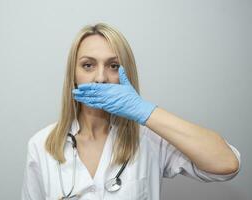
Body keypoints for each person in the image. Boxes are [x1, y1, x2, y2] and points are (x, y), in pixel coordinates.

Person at [21, 22, 241, 200]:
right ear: (73, 74)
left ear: (127, 73)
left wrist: (144, 111)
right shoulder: (41, 145)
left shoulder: (149, 138)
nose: (100, 78)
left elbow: (227, 163)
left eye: (113, 66)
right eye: (88, 65)